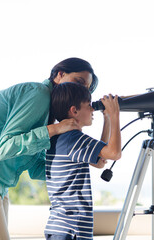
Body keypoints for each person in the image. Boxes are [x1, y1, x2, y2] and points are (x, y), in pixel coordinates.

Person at [0, 57, 99, 240]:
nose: (81, 90)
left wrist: (73, 163)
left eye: (86, 88)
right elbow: (5, 149)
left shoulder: (48, 111)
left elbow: (35, 166)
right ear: (60, 75)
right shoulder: (38, 94)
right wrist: (55, 129)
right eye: (79, 82)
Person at [44, 82, 121, 240]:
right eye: (88, 105)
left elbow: (100, 159)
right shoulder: (74, 139)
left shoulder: (62, 138)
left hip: (61, 227)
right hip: (72, 228)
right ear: (74, 111)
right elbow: (114, 153)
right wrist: (114, 115)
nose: (93, 109)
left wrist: (106, 118)